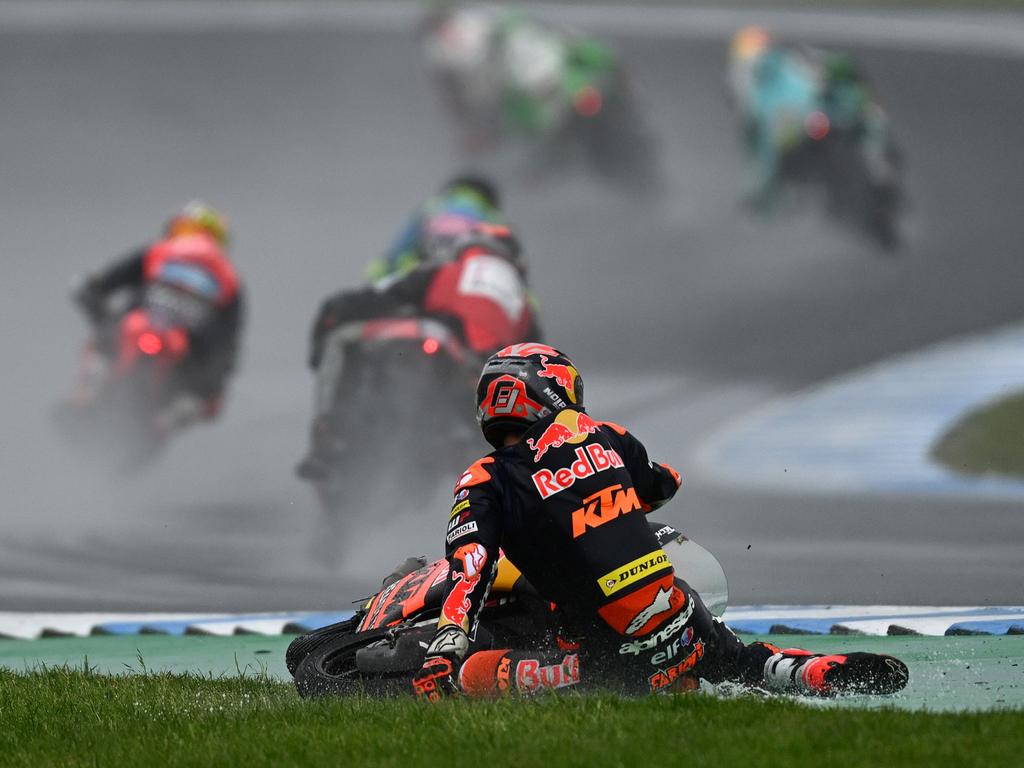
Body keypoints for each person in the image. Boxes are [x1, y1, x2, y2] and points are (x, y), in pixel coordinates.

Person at [412, 344, 910, 699]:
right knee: (741, 659)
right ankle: (806, 671)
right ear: (554, 389)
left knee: (472, 675)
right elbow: (661, 484)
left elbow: (471, 566)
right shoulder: (607, 436)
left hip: (604, 663)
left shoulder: (483, 478)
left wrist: (448, 642)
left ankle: (598, 679)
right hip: (680, 620)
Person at [296, 217, 543, 481]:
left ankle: (327, 435)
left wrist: (334, 315)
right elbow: (538, 366)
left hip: (443, 349)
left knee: (343, 338)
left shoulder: (447, 268)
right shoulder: (525, 305)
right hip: (483, 377)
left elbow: (383, 295)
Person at [72, 200, 244, 432]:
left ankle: (89, 391)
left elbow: (99, 286)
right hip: (181, 350)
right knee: (199, 398)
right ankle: (170, 418)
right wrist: (215, 388)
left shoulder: (157, 251)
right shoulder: (230, 279)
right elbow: (229, 342)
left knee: (103, 344)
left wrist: (98, 311)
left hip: (158, 338)